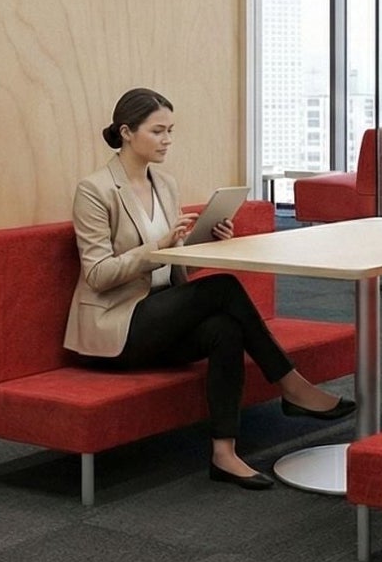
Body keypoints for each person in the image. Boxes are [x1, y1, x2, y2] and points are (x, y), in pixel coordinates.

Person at [66, 87, 353, 488]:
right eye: (158, 131)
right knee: (224, 288)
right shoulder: (95, 190)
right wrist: (159, 246)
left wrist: (206, 243)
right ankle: (291, 384)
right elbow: (97, 274)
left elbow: (174, 268)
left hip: (161, 315)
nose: (167, 140)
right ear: (127, 132)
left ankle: (224, 454)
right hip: (118, 330)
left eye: (170, 130)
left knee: (225, 329)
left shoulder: (164, 184)